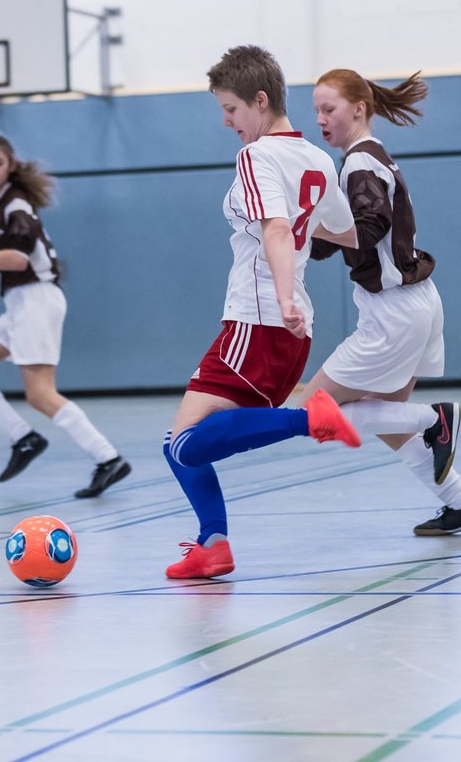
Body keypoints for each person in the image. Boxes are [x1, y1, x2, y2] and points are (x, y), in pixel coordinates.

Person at [162, 45, 362, 580]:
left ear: (260, 99)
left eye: (230, 110)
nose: (226, 122)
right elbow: (345, 232)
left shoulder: (257, 156)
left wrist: (284, 294)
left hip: (259, 319)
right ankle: (213, 544)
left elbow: (276, 228)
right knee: (180, 445)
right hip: (286, 330)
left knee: (183, 444)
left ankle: (307, 420)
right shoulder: (319, 160)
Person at [302, 68, 461, 536]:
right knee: (389, 421)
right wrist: (302, 236)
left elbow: (366, 232)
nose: (321, 120)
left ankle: (436, 417)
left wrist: (307, 228)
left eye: (329, 109)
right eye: (317, 111)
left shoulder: (360, 163)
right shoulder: (369, 158)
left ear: (358, 109)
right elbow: (344, 238)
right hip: (417, 301)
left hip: (393, 313)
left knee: (312, 407)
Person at [0, 134, 131, 496]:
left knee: (41, 394)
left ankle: (108, 458)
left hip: (36, 302)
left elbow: (19, 258)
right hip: (19, 303)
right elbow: (16, 256)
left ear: (9, 165)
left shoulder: (15, 204)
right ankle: (23, 438)